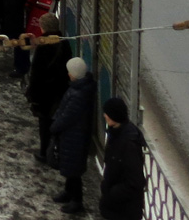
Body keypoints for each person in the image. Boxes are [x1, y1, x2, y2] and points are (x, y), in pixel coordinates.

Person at [50, 56, 96, 214]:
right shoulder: (79, 88)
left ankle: (77, 201)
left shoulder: (79, 94)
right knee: (70, 168)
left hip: (75, 136)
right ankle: (69, 192)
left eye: (70, 71)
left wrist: (54, 127)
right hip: (72, 135)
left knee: (74, 171)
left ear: (75, 74)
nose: (68, 74)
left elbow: (68, 116)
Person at [25, 12, 72, 162]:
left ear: (43, 27)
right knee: (57, 121)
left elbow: (36, 74)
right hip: (60, 90)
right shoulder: (64, 42)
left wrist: (31, 95)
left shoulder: (43, 47)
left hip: (45, 93)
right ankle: (57, 150)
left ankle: (45, 152)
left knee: (44, 124)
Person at [99, 97, 145, 220]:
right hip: (116, 207)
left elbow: (135, 181)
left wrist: (112, 193)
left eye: (107, 113)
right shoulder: (116, 133)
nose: (104, 115)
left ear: (114, 116)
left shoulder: (128, 144)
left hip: (124, 210)